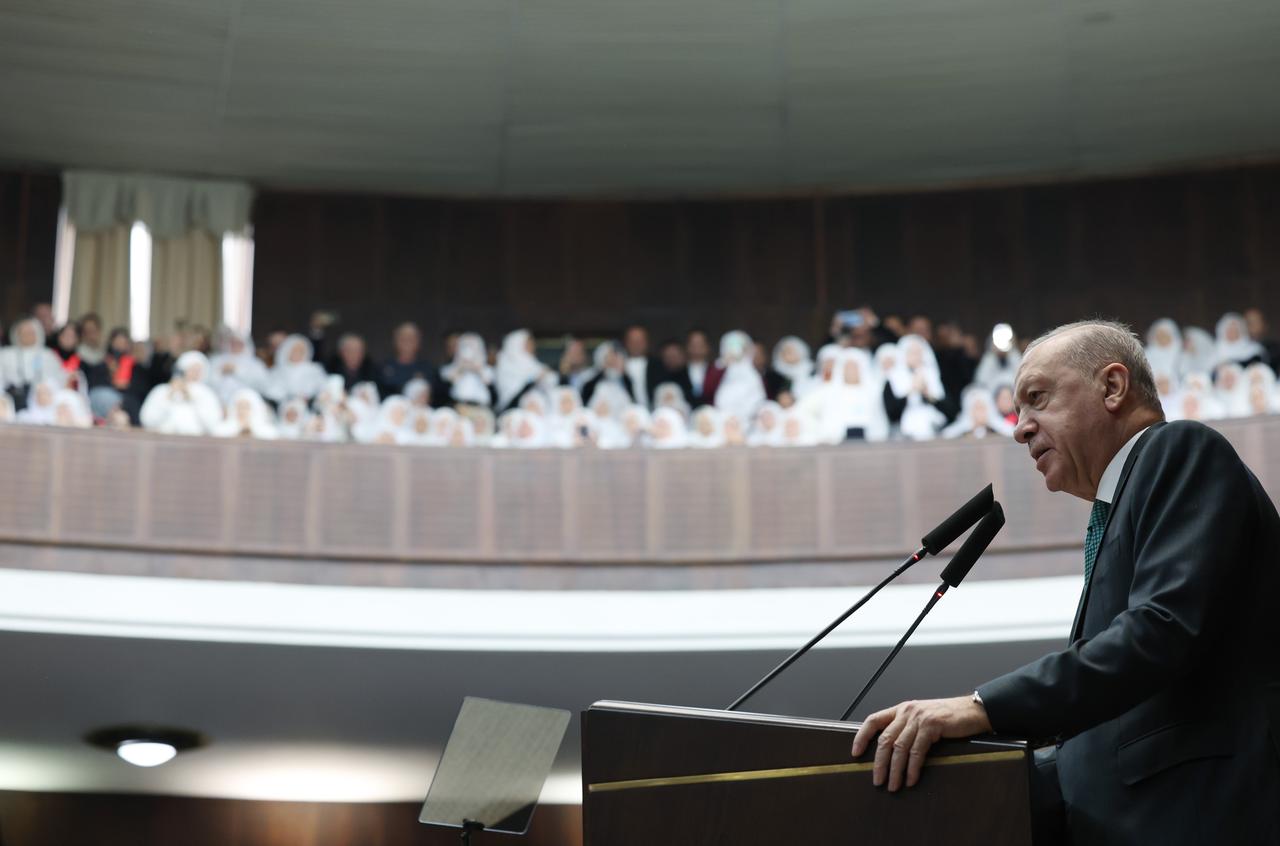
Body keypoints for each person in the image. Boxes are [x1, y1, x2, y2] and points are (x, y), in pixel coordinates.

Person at [850, 319, 1280, 845]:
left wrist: (982, 707)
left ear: (1113, 386)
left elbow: (1161, 632)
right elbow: (1103, 731)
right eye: (1019, 410)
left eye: (1037, 399)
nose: (1020, 429)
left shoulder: (1179, 450)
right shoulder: (1115, 514)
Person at [1, 317, 65, 406]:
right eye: (23, 333)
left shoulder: (48, 355)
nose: (27, 336)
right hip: (11, 400)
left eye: (31, 333)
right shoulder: (5, 354)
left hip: (42, 400)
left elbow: (58, 379)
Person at [712, 331, 766, 424]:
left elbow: (758, 398)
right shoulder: (721, 369)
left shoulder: (752, 374)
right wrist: (723, 363)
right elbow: (709, 390)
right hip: (723, 420)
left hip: (747, 421)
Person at [495, 329, 555, 412]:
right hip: (514, 409)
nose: (532, 346)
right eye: (528, 343)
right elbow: (513, 395)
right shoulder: (506, 364)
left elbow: (551, 380)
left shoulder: (533, 363)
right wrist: (535, 380)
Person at [380, 322, 439, 399]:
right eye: (403, 338)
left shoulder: (428, 368)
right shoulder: (383, 367)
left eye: (411, 339)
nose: (407, 342)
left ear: (418, 342)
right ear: (395, 341)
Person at [267, 334, 327, 404]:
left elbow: (323, 388)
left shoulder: (315, 369)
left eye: (301, 350)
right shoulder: (276, 372)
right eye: (294, 350)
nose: (297, 353)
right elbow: (272, 392)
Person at [440, 333, 495, 408]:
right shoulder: (449, 368)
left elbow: (489, 382)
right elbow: (448, 380)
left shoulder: (487, 369)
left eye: (474, 348)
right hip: (458, 405)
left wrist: (477, 368)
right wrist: (461, 366)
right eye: (465, 347)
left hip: (480, 406)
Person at [622, 325, 663, 409]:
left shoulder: (659, 365)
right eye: (632, 341)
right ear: (626, 343)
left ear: (647, 343)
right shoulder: (618, 365)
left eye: (640, 341)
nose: (636, 344)